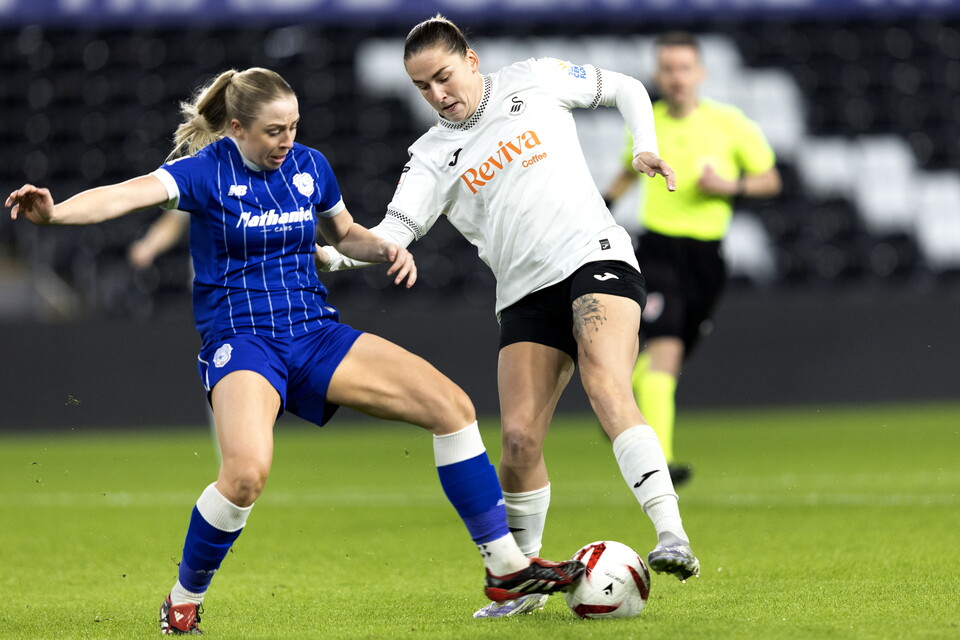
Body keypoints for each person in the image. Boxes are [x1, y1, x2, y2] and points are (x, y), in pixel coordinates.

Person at [6, 66, 584, 635]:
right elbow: (126, 194)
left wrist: (384, 248)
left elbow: (344, 234)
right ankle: (185, 598)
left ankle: (505, 566)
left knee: (453, 408)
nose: (288, 141)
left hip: (314, 332)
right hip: (243, 340)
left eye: (294, 127)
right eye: (274, 131)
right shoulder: (204, 171)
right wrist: (57, 213)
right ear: (237, 127)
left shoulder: (310, 167)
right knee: (245, 476)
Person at [318, 16, 700, 619]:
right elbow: (394, 230)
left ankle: (671, 534)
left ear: (471, 60)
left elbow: (627, 87)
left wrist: (644, 145)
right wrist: (331, 256)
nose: (438, 95)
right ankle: (522, 582)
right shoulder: (431, 154)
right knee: (519, 440)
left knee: (606, 381)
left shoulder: (538, 80)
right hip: (524, 295)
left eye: (443, 76)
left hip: (593, 258)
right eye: (422, 87)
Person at [604, 31, 782, 486]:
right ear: (657, 74)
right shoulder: (649, 124)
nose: (677, 77)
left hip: (707, 258)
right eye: (668, 68)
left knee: (670, 358)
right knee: (665, 350)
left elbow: (770, 179)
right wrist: (602, 205)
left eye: (685, 68)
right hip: (658, 249)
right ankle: (657, 463)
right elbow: (628, 169)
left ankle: (619, 401)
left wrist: (731, 187)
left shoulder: (730, 124)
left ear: (700, 73)